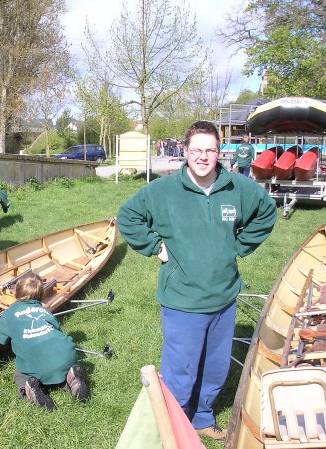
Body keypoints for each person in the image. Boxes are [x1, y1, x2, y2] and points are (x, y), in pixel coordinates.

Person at [116, 121, 276, 441]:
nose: (203, 157)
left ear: (220, 152)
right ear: (185, 152)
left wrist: (238, 247)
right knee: (181, 371)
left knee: (215, 368)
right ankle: (172, 427)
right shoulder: (163, 191)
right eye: (197, 150)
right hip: (183, 300)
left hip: (224, 297)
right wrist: (155, 248)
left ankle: (202, 417)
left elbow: (267, 211)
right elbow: (127, 216)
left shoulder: (236, 187)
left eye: (210, 150)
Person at [0, 273, 89, 411]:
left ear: (16, 293)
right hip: (67, 355)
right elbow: (57, 329)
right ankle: (71, 377)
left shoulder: (9, 313)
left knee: (19, 375)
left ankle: (30, 387)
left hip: (37, 361)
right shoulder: (45, 311)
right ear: (41, 295)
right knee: (58, 367)